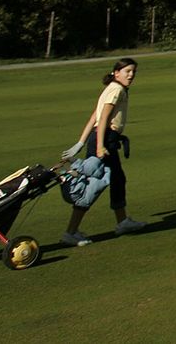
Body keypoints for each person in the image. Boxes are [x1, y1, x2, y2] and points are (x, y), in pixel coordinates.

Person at [61, 57, 147, 246]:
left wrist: (81, 142)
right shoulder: (116, 89)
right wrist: (100, 146)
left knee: (117, 179)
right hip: (105, 140)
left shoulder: (113, 88)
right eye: (127, 71)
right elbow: (104, 119)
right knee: (93, 186)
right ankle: (71, 232)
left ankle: (122, 222)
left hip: (105, 139)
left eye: (133, 72)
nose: (131, 75)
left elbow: (95, 116)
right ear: (116, 73)